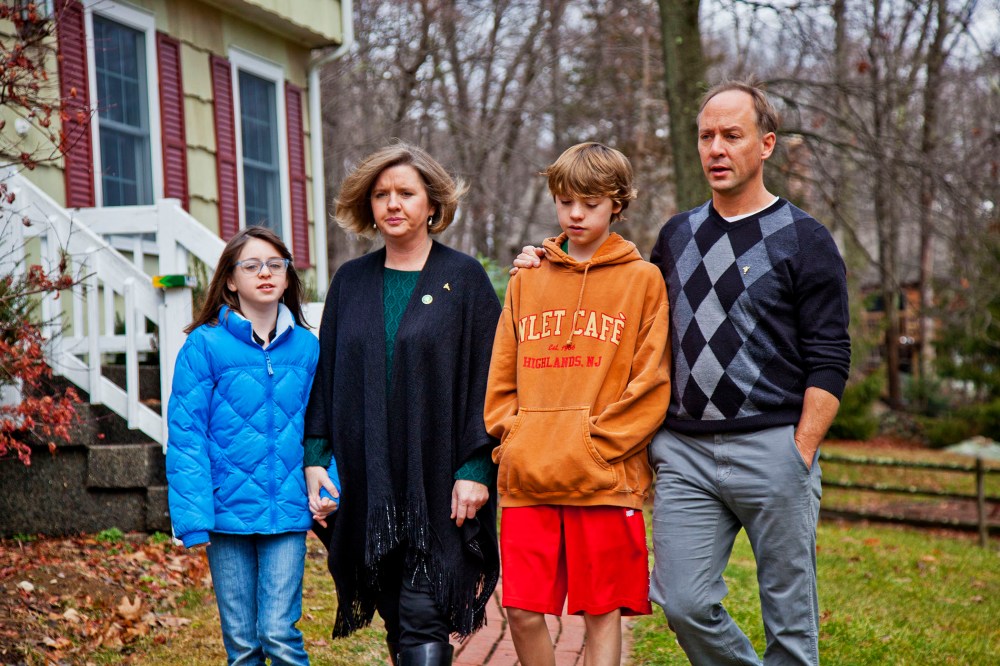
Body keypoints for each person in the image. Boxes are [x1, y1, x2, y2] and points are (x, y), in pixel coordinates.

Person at [514, 79, 851, 665]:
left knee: (790, 621)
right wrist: (547, 263)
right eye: (706, 136)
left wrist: (801, 448)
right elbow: (620, 304)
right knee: (682, 603)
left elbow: (830, 354)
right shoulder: (677, 235)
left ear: (767, 144)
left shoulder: (805, 238)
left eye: (732, 135)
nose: (716, 148)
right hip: (685, 453)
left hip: (773, 446)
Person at [302, 142, 501, 665]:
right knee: (396, 614)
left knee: (422, 613)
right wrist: (316, 457)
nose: (393, 203)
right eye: (381, 194)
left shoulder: (465, 279)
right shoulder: (350, 281)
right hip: (368, 481)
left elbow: (492, 380)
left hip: (440, 482)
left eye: (406, 193)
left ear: (432, 204)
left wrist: (477, 467)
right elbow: (328, 376)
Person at [485, 142, 671, 666]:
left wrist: (596, 446)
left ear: (617, 203)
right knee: (521, 612)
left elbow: (652, 382)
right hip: (530, 476)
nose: (575, 214)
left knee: (601, 612)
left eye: (590, 203)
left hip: (604, 479)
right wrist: (515, 438)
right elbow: (501, 376)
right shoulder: (527, 278)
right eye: (565, 201)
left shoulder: (643, 280)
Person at [166, 226, 328, 666]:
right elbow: (187, 436)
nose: (265, 273)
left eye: (276, 264)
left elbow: (325, 427)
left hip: (286, 511)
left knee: (278, 633)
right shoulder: (204, 345)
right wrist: (194, 519)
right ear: (231, 280)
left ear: (288, 277)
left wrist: (329, 486)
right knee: (242, 646)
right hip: (226, 514)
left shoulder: (307, 348)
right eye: (252, 265)